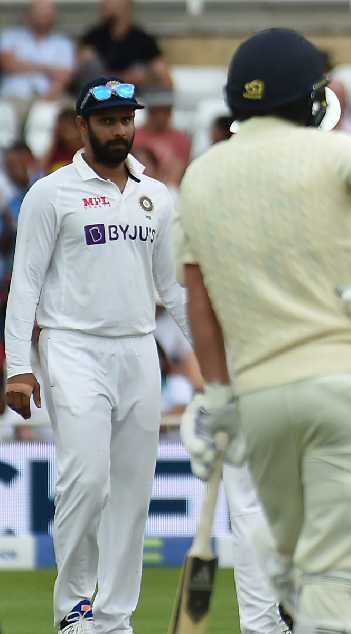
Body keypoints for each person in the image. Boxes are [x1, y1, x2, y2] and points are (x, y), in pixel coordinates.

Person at [173, 28, 351, 632]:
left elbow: (199, 298)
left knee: (302, 576)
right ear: (308, 96)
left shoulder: (200, 177)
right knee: (342, 580)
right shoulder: (331, 152)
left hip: (263, 395)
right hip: (349, 388)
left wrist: (216, 392)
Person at [3, 76, 189, 634]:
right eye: (107, 121)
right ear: (82, 126)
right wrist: (18, 367)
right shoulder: (51, 192)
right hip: (71, 346)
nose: (119, 130)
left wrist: (216, 361)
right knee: (87, 481)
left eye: (126, 120)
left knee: (132, 493)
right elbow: (25, 282)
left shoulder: (157, 196)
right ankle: (74, 608)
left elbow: (173, 289)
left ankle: (114, 617)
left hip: (138, 348)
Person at [78, 0, 172, 89]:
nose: (104, 4)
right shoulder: (93, 38)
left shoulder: (144, 40)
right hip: (100, 95)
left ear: (127, 4)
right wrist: (127, 78)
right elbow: (78, 72)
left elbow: (165, 79)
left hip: (132, 96)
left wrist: (146, 77)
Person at [0, 0, 75, 105]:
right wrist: (50, 69)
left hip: (49, 97)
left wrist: (46, 98)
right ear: (28, 14)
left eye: (47, 13)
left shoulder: (64, 43)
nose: (43, 16)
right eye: (39, 12)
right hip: (13, 96)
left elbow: (65, 76)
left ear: (54, 16)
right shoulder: (10, 36)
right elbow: (7, 64)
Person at [133, 90, 191, 186]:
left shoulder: (181, 139)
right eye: (156, 112)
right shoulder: (134, 136)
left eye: (166, 112)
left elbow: (180, 169)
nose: (161, 117)